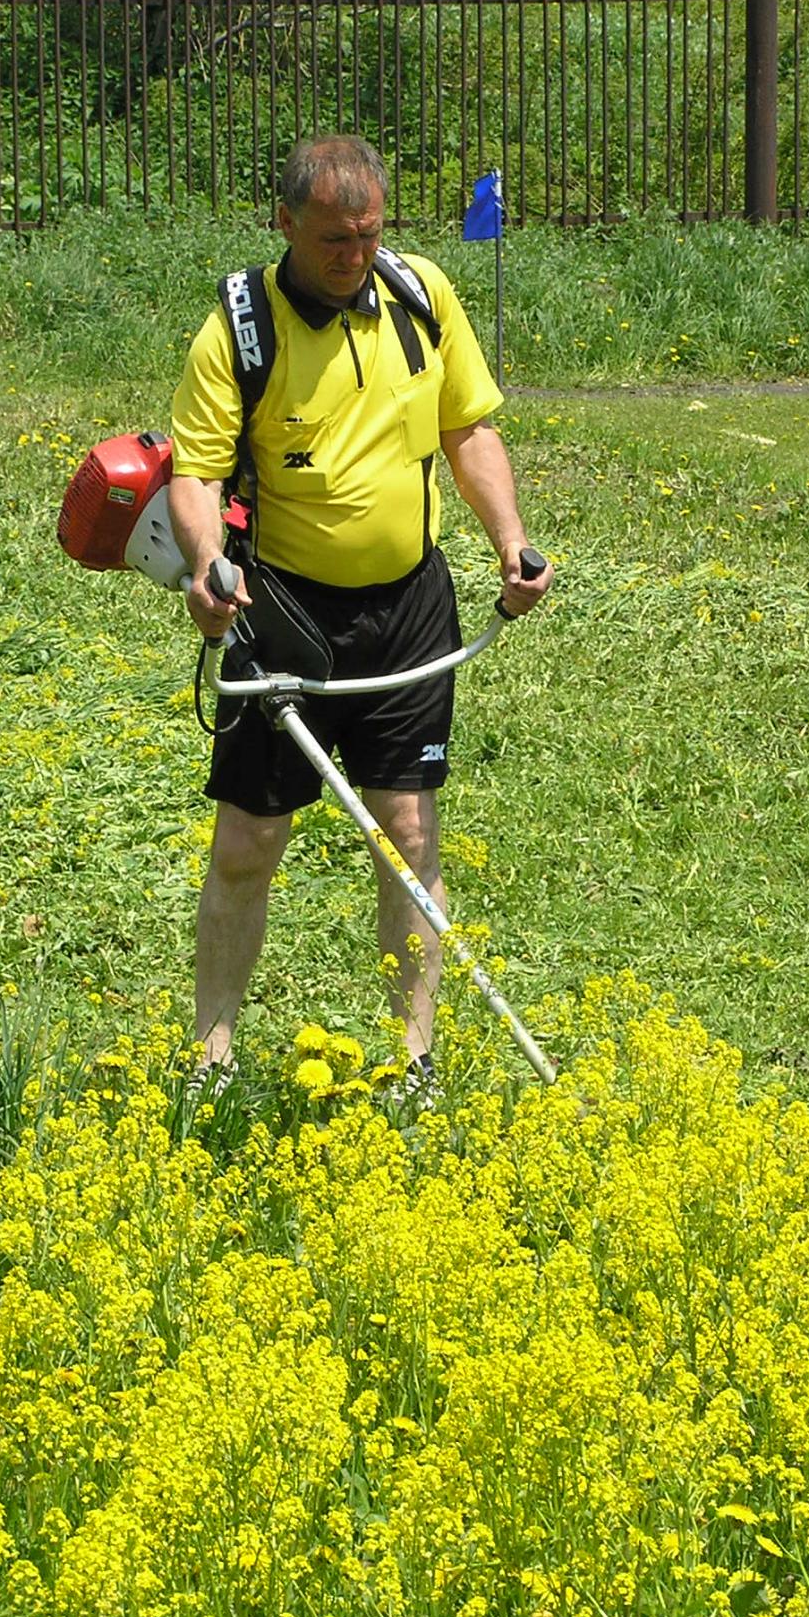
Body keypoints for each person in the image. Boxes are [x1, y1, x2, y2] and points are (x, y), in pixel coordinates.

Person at [168, 134, 551, 1086]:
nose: (355, 255)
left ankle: (412, 1061)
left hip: (410, 609)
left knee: (409, 833)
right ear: (285, 223)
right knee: (249, 839)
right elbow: (196, 472)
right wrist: (211, 566)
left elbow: (468, 429)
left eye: (370, 234)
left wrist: (510, 540)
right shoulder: (240, 327)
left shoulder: (421, 295)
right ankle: (211, 1055)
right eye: (335, 238)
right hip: (283, 613)